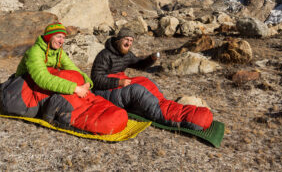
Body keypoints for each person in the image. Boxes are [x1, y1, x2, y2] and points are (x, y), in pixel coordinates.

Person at [0, 23, 128, 135]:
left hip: (43, 83)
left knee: (72, 76)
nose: (62, 41)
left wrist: (87, 83)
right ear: (49, 37)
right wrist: (75, 89)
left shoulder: (58, 52)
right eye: (59, 37)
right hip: (19, 91)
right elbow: (43, 79)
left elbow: (74, 70)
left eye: (64, 38)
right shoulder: (35, 52)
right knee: (65, 91)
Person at [91, 27, 213, 131]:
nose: (128, 43)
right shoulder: (104, 55)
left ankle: (176, 110)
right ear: (118, 40)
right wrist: (118, 82)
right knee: (137, 90)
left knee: (146, 82)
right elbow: (96, 79)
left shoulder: (126, 54)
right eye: (126, 40)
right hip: (103, 91)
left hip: (118, 84)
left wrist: (151, 59)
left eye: (131, 41)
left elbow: (139, 64)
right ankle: (174, 117)